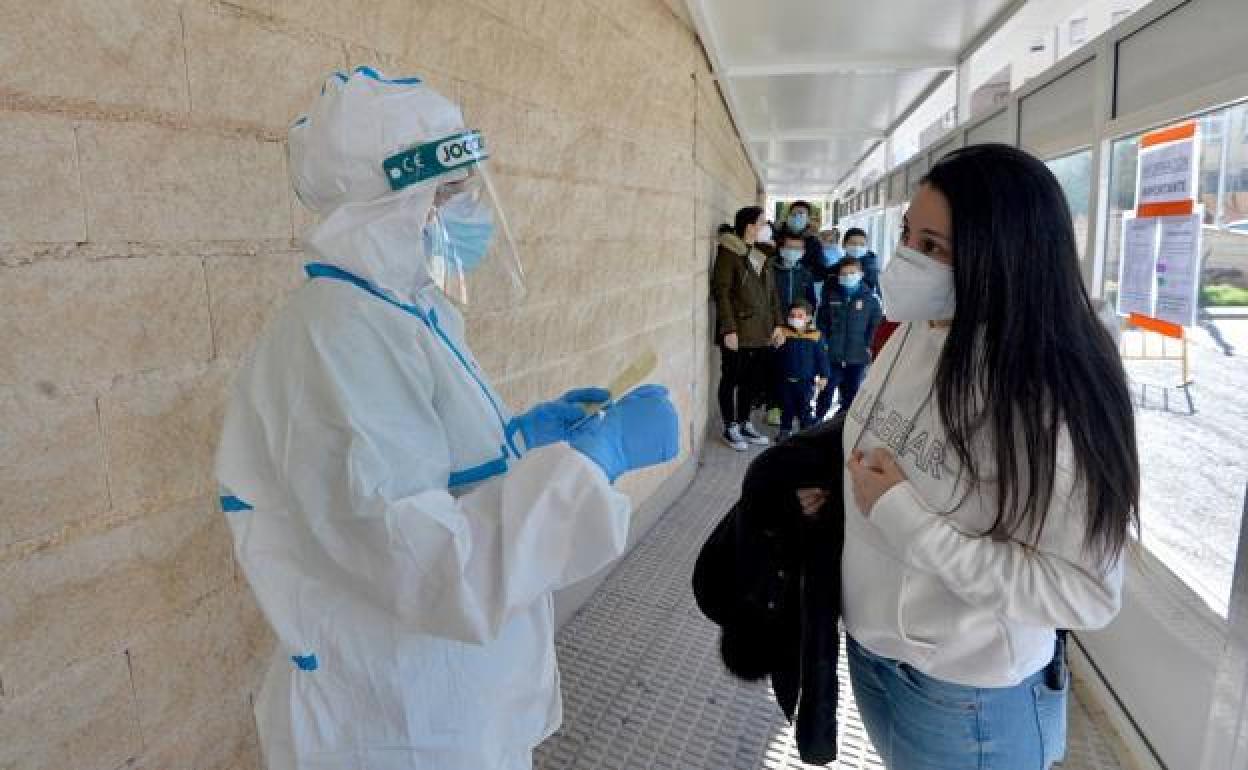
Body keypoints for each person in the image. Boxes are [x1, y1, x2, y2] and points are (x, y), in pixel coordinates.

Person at [215, 68, 680, 770]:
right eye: (453, 192)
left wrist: (524, 440)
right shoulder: (339, 336)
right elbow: (425, 563)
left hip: (442, 689)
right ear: (392, 204)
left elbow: (422, 469)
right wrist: (594, 461)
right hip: (398, 717)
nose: (474, 211)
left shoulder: (408, 311)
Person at [801, 143, 1139, 769]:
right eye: (907, 235)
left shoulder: (1047, 391)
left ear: (1001, 260)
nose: (903, 261)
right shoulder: (921, 327)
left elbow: (1085, 594)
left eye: (933, 247)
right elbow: (880, 442)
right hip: (872, 653)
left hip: (967, 697)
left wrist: (904, 519)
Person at [713, 205, 785, 451]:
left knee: (750, 382)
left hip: (762, 331)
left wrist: (778, 324)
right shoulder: (729, 252)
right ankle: (729, 426)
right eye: (763, 223)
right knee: (731, 378)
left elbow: (772, 293)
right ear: (749, 226)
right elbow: (721, 292)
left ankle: (744, 423)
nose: (767, 227)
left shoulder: (759, 254)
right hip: (738, 331)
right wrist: (728, 329)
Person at [814, 256, 881, 421]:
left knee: (852, 393)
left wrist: (868, 345)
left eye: (852, 272)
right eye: (844, 273)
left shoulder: (871, 300)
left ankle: (842, 423)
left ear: (861, 274)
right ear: (838, 276)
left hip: (857, 356)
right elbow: (821, 322)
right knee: (827, 390)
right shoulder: (831, 296)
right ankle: (816, 421)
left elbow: (875, 326)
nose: (848, 276)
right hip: (832, 355)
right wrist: (824, 344)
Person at [766, 233, 820, 426]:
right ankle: (774, 406)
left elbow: (812, 301)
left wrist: (807, 320)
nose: (793, 252)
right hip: (776, 325)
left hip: (798, 326)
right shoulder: (770, 269)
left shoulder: (805, 274)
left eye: (798, 248)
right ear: (781, 248)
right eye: (790, 247)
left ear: (804, 252)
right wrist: (775, 323)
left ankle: (800, 407)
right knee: (776, 367)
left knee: (797, 365)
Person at [776, 300, 830, 441]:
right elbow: (775, 355)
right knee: (787, 407)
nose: (795, 318)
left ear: (809, 318)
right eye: (792, 315)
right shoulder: (783, 332)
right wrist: (776, 344)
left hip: (806, 382)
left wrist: (824, 376)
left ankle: (805, 434)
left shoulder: (816, 335)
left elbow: (822, 358)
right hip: (785, 380)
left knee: (805, 408)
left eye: (800, 315)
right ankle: (785, 430)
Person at [776, 200, 827, 279]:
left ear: (808, 219)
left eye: (801, 215)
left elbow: (820, 270)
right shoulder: (777, 236)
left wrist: (804, 277)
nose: (797, 217)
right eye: (793, 214)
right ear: (788, 217)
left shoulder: (814, 242)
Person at [842, 227, 880, 294]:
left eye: (862, 244)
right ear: (844, 244)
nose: (857, 247)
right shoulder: (843, 260)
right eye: (853, 243)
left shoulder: (871, 268)